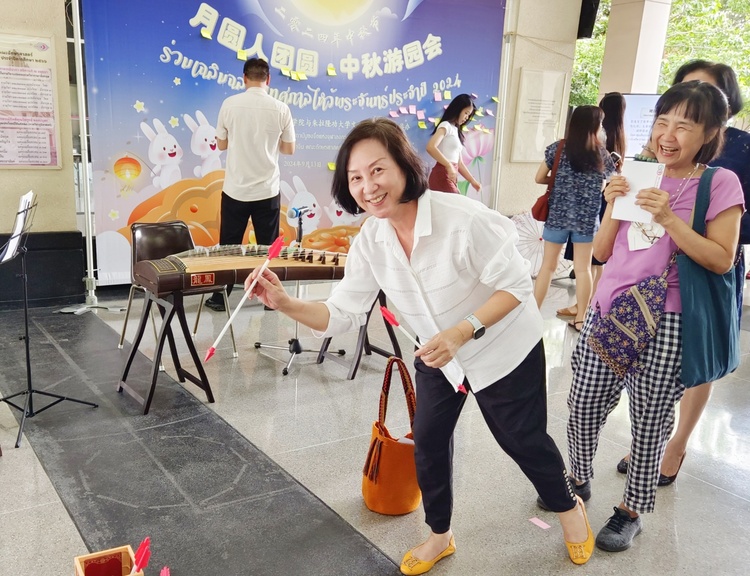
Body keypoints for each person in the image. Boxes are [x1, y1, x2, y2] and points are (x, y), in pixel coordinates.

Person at [245, 118, 594, 573]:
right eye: (355, 177)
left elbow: (516, 287)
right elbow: (343, 313)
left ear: (404, 166)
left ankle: (569, 509)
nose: (368, 187)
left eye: (377, 170)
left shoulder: (464, 220)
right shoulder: (371, 240)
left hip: (502, 346)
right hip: (437, 354)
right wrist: (285, 302)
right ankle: (440, 534)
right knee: (427, 442)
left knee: (522, 441)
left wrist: (462, 330)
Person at [566, 80, 743, 553]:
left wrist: (668, 219)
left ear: (709, 133)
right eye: (662, 122)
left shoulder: (719, 183)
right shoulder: (639, 172)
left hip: (669, 319)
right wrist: (612, 204)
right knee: (583, 402)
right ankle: (577, 479)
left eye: (683, 126)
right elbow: (602, 252)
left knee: (649, 420)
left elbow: (721, 259)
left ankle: (631, 511)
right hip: (609, 309)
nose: (668, 135)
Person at [616, 60, 750, 484]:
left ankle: (677, 442)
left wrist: (697, 223)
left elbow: (729, 237)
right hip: (650, 265)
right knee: (654, 370)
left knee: (697, 354)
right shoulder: (657, 145)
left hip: (707, 263)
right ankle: (649, 438)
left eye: (706, 91)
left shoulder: (740, 150)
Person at [204, 57, 296, 311]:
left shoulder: (229, 104)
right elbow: (289, 149)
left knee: (229, 245)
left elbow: (221, 144)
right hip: (267, 189)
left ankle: (220, 297)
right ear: (268, 79)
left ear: (244, 78)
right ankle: (271, 300)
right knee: (267, 246)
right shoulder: (281, 108)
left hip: (236, 188)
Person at [533, 106, 616, 331]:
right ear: (595, 126)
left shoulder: (558, 148)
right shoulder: (602, 154)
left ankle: (533, 314)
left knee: (547, 267)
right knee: (583, 269)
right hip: (586, 221)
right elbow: (608, 184)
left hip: (558, 217)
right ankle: (581, 319)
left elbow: (539, 178)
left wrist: (560, 180)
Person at [558, 93, 627, 320]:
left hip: (593, 202)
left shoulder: (600, 135)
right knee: (595, 261)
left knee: (589, 261)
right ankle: (588, 305)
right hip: (606, 201)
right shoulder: (620, 135)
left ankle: (583, 307)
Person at [425, 94, 481, 194]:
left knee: (455, 202)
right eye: (466, 113)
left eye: (469, 115)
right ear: (458, 109)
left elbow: (460, 164)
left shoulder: (456, 131)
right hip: (442, 174)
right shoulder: (446, 125)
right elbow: (430, 147)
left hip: (451, 175)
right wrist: (448, 165)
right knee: (457, 202)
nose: (466, 118)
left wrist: (473, 181)